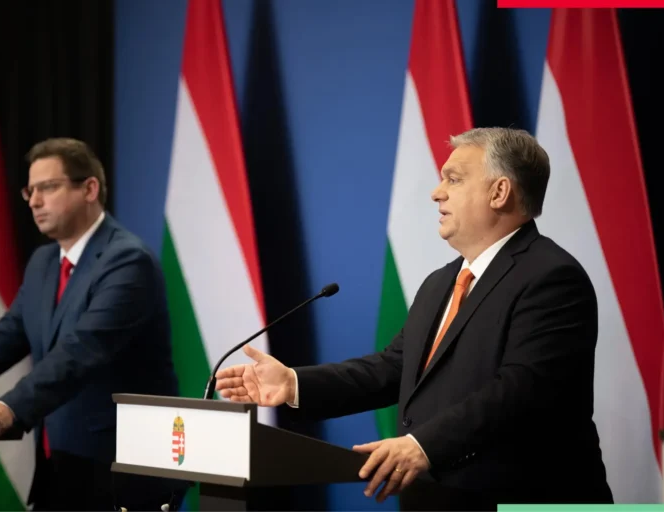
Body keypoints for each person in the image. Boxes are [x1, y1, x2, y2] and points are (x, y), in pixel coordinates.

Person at [214, 127, 613, 507]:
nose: (437, 192)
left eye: (453, 179)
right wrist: (294, 383)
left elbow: (521, 390)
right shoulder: (440, 283)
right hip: (438, 501)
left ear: (499, 192)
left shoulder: (551, 277)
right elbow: (394, 368)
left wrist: (422, 446)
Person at [0, 138, 184, 511]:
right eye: (30, 191)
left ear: (89, 189)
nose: (35, 201)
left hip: (124, 468)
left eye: (48, 187)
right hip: (60, 465)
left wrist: (8, 407)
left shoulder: (128, 262)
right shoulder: (44, 262)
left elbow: (82, 350)